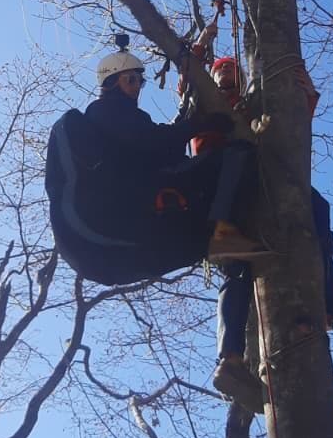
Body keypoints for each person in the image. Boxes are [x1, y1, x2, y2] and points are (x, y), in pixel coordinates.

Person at [200, 58, 333, 416]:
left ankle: (330, 297)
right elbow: (193, 98)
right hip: (222, 187)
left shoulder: (252, 101)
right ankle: (230, 358)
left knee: (316, 206)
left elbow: (289, 127)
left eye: (231, 70)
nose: (226, 74)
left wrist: (305, 98)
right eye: (220, 70)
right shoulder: (204, 98)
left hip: (260, 180)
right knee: (237, 268)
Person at [45, 42, 265, 288]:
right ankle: (223, 231)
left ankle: (227, 252)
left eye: (140, 82)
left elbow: (164, 151)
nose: (136, 88)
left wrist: (190, 124)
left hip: (111, 254)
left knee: (208, 243)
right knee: (238, 154)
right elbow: (152, 142)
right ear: (111, 83)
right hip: (112, 217)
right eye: (131, 80)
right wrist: (200, 124)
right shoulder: (105, 111)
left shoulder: (118, 127)